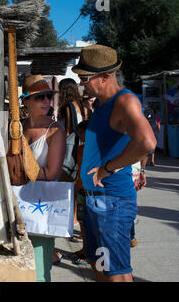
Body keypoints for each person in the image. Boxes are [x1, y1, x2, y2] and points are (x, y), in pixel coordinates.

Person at [72, 44, 156, 282]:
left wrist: (108, 168)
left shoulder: (124, 101)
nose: (81, 83)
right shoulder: (99, 103)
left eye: (85, 78)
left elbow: (147, 142)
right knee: (98, 263)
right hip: (95, 200)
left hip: (112, 202)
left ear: (105, 77)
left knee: (116, 273)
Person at [19, 74, 66, 282]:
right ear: (26, 101)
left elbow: (52, 172)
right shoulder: (16, 126)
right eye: (40, 97)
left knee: (38, 265)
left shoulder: (55, 129)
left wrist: (18, 170)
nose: (47, 101)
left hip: (39, 203)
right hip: (14, 203)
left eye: (48, 96)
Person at [57, 79, 85, 230]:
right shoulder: (80, 105)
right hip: (79, 147)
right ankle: (74, 217)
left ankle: (71, 217)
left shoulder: (68, 107)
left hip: (69, 147)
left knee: (67, 182)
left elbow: (68, 130)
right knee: (75, 183)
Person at [72, 120, 89, 265]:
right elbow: (78, 171)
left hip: (93, 192)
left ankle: (89, 252)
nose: (79, 136)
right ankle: (85, 249)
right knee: (82, 221)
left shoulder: (97, 150)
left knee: (91, 224)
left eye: (81, 133)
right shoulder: (79, 150)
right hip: (82, 190)